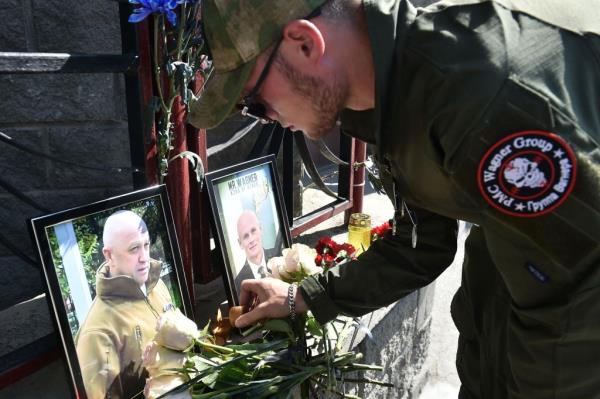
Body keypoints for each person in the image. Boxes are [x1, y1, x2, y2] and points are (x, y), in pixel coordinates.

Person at [188, 0, 600, 398]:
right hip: (507, 328)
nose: (266, 117)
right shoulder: (387, 94)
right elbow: (421, 245)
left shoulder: (479, 90)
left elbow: (573, 305)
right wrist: (305, 296)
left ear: (306, 43)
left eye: (255, 102)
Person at [75, 210, 174, 399]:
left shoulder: (156, 284)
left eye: (146, 245)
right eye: (134, 248)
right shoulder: (96, 333)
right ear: (109, 256)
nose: (144, 257)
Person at [233, 210, 277, 294]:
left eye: (253, 231)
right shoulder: (238, 284)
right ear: (240, 243)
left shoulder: (280, 256)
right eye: (246, 236)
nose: (251, 239)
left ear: (261, 229)